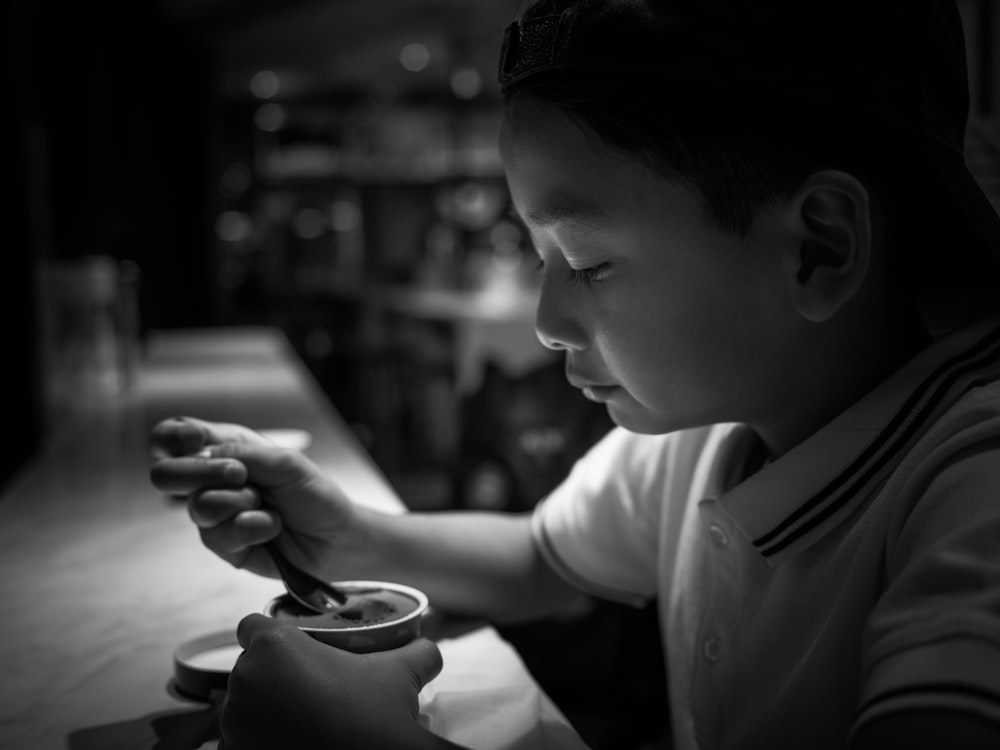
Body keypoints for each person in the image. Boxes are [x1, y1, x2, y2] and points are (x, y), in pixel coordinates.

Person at [149, 0, 1000, 748]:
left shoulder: (971, 491)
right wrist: (349, 537)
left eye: (586, 262)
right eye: (539, 256)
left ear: (819, 248)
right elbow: (538, 563)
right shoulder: (719, 423)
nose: (545, 324)